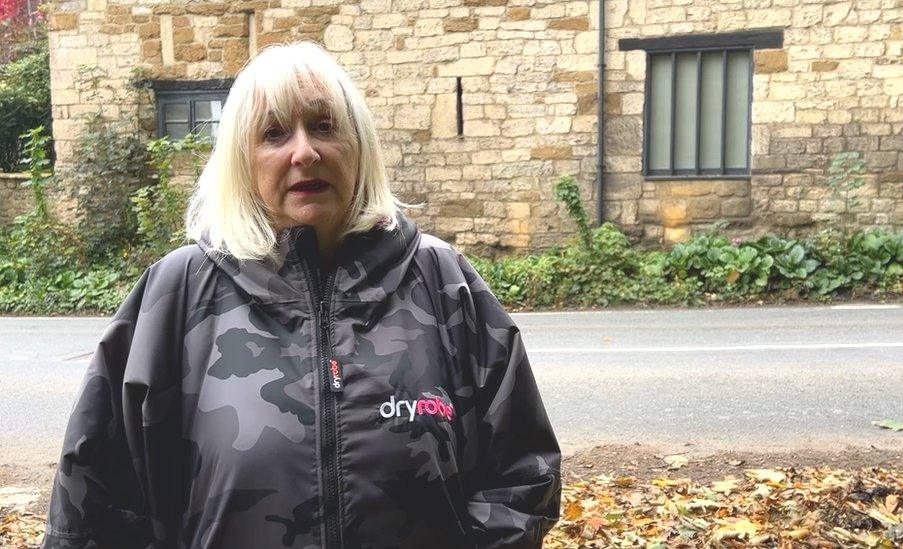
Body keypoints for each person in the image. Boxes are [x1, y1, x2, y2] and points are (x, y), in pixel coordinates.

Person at [42, 40, 561, 549]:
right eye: (273, 134)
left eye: (324, 126)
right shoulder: (177, 293)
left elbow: (523, 472)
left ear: (359, 147)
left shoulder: (442, 281)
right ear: (242, 162)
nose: (304, 151)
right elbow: (93, 502)